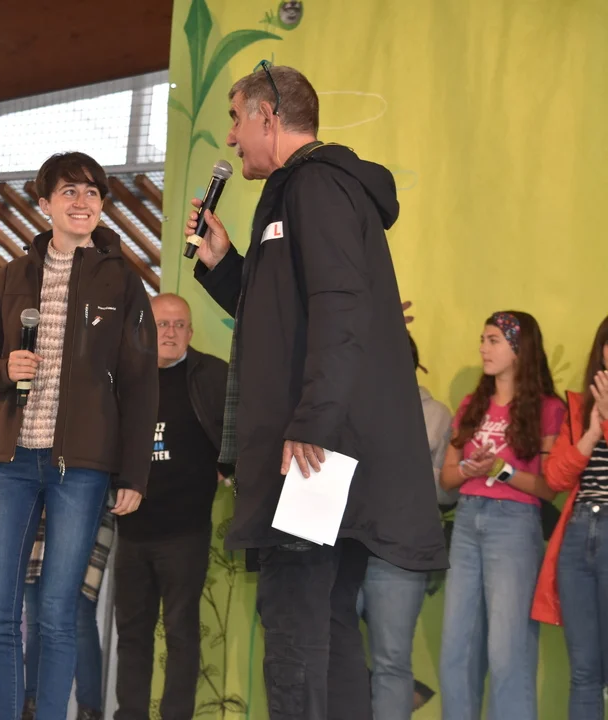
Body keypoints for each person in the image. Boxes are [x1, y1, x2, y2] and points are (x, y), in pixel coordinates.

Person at [185, 62, 447, 720]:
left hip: (312, 455)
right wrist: (224, 266)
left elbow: (340, 307)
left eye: (235, 118)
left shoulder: (316, 185)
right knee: (322, 622)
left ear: (268, 117)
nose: (230, 136)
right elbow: (285, 319)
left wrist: (312, 424)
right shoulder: (301, 191)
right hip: (317, 447)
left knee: (296, 622)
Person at [0, 151, 158, 720]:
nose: (82, 202)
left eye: (93, 192)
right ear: (44, 204)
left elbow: (141, 385)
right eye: (69, 191)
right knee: (0, 613)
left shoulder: (123, 280)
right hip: (13, 461)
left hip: (83, 469)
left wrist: (134, 474)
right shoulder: (12, 276)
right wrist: (5, 369)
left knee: (59, 611)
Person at [437, 311, 564, 720]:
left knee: (507, 650)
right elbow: (447, 477)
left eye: (493, 340)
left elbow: (548, 487)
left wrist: (501, 469)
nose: (483, 348)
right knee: (457, 648)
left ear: (518, 349)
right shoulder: (472, 405)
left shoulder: (548, 409)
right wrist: (470, 469)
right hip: (467, 519)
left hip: (514, 525)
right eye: (482, 339)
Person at [112, 293, 227, 720]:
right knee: (132, 635)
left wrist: (229, 465)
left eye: (180, 324)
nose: (171, 332)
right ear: (146, 330)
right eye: (162, 323)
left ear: (191, 332)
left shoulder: (213, 375)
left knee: (181, 633)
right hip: (132, 532)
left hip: (185, 532)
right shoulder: (124, 379)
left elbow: (241, 430)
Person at [357, 334, 452, 720]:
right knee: (327, 645)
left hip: (400, 552)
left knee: (392, 660)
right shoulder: (349, 407)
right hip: (345, 546)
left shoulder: (436, 415)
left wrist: (410, 472)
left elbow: (447, 492)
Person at [533, 314, 608, 719]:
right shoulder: (579, 408)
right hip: (578, 534)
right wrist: (592, 432)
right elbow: (556, 477)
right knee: (584, 673)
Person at [22, 503, 115, 720]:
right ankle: (32, 708)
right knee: (36, 620)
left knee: (79, 616)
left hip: (86, 509)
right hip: (38, 520)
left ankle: (89, 711)